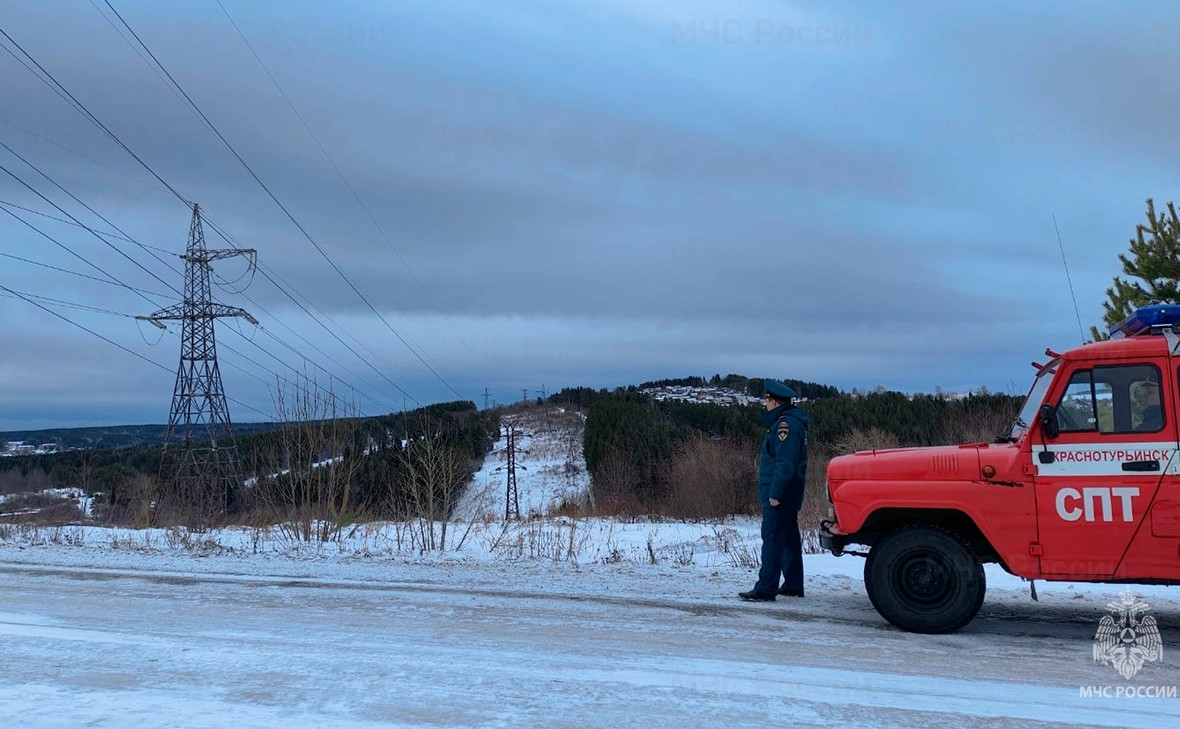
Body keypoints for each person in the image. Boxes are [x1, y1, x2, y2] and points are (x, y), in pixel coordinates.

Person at [740, 379, 809, 602]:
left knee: (772, 539)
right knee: (788, 539)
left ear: (775, 402)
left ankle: (765, 588)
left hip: (781, 495)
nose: (765, 404)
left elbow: (785, 462)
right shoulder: (791, 422)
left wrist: (776, 494)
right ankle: (793, 584)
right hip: (790, 493)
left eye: (767, 400)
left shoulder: (785, 426)